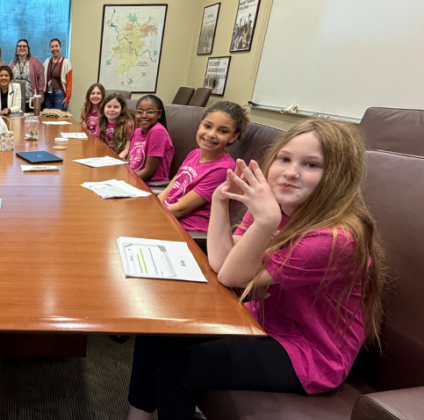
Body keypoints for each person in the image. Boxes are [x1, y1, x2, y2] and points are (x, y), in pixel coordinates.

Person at [126, 119, 386, 420]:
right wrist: (220, 204)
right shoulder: (276, 208)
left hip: (309, 353)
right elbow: (224, 261)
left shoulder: (332, 239)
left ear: (339, 178)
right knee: (156, 329)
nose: (290, 172)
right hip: (263, 322)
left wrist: (264, 222)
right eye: (284, 159)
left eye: (312, 165)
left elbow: (232, 277)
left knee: (178, 370)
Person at [157, 101, 248, 231]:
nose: (211, 134)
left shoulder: (223, 170)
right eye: (207, 126)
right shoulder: (194, 153)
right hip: (167, 216)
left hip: (185, 229)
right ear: (200, 125)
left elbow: (181, 209)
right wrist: (150, 207)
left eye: (222, 131)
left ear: (233, 137)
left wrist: (151, 215)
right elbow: (172, 186)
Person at [128, 95, 173, 184]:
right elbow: (129, 161)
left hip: (151, 184)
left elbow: (149, 171)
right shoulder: (137, 132)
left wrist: (127, 181)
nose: (144, 116)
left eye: (150, 112)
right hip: (135, 180)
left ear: (159, 114)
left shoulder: (157, 131)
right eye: (140, 112)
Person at [9, 39, 45, 107]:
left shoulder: (35, 61)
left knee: (30, 117)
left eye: (24, 46)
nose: (22, 48)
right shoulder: (12, 63)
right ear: (17, 49)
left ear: (28, 49)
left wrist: (40, 93)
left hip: (31, 99)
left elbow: (41, 78)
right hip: (15, 99)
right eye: (20, 46)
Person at [98, 93, 134, 158]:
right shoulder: (101, 122)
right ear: (103, 108)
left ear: (122, 109)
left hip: (120, 158)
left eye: (116, 107)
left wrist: (116, 160)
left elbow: (127, 150)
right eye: (109, 106)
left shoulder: (128, 124)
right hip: (103, 157)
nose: (111, 110)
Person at [42, 38, 73, 111]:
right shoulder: (47, 61)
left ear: (60, 47)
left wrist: (67, 98)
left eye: (56, 46)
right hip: (48, 95)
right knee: (47, 118)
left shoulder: (66, 62)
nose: (54, 48)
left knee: (59, 119)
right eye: (52, 47)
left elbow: (69, 82)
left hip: (60, 95)